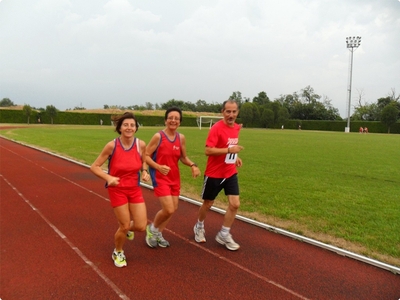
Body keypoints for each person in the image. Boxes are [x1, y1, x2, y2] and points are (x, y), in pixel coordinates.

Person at [90, 112, 150, 268]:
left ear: (136, 128)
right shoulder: (112, 146)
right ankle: (118, 251)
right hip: (117, 189)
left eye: (132, 125)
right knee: (123, 226)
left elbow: (144, 160)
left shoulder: (141, 144)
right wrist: (108, 178)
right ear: (120, 128)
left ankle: (126, 229)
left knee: (141, 226)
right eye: (126, 125)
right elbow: (94, 167)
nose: (129, 128)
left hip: (134, 188)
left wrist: (144, 170)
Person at [145, 107, 201, 248]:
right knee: (168, 209)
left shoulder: (181, 138)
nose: (173, 120)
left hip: (174, 177)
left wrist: (193, 165)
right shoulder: (158, 137)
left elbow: (183, 157)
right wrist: (157, 167)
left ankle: (158, 233)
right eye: (170, 117)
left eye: (176, 118)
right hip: (160, 177)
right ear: (165, 120)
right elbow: (145, 155)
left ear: (180, 122)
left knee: (173, 208)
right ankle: (152, 230)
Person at [193, 100, 244, 251]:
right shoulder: (216, 128)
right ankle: (199, 226)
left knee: (235, 204)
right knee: (208, 203)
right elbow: (208, 150)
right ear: (222, 112)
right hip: (214, 173)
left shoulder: (236, 128)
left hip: (230, 173)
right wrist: (229, 151)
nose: (231, 115)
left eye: (234, 111)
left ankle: (224, 233)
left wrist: (235, 158)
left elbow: (230, 147)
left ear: (237, 112)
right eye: (228, 111)